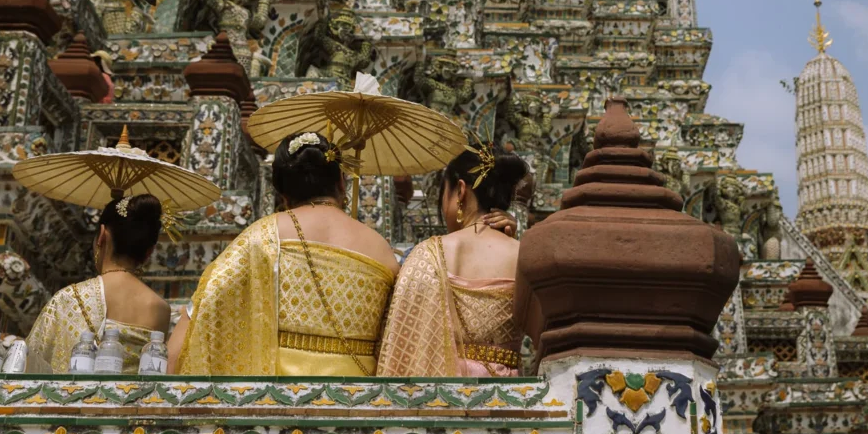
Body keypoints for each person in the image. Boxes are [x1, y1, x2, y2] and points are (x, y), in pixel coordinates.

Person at [171, 131, 400, 376]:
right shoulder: (381, 249)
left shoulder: (259, 239)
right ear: (341, 183)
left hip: (277, 402)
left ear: (282, 193)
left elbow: (185, 340)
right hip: (359, 402)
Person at [377, 143, 527, 377]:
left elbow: (398, 339)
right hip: (505, 397)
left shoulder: (428, 255)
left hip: (440, 395)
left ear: (460, 190)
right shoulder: (524, 256)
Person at [26, 194, 172, 373]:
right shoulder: (160, 309)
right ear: (149, 251)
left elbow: (30, 363)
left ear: (102, 235)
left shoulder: (69, 298)